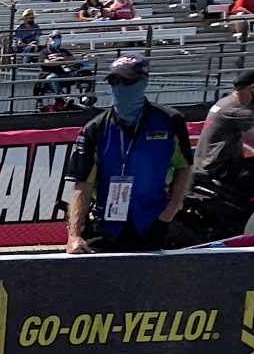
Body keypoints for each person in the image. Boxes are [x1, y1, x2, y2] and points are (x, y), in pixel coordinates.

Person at [65, 54, 194, 253]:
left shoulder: (170, 121)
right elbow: (83, 184)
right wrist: (73, 236)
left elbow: (184, 166)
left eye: (127, 82)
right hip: (105, 225)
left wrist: (170, 210)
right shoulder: (94, 129)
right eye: (114, 82)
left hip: (152, 222)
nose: (120, 88)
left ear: (144, 82)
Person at [196, 68, 254, 184]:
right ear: (253, 87)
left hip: (208, 163)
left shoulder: (224, 102)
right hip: (219, 167)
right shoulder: (236, 109)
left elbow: (250, 136)